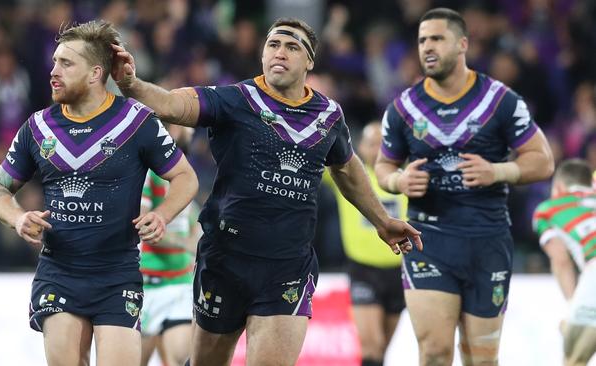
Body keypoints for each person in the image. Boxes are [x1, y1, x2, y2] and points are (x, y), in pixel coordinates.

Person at [112, 17, 423, 366]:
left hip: (287, 265)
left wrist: (382, 220)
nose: (280, 53)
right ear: (262, 55)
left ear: (309, 61)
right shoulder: (235, 100)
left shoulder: (328, 116)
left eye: (292, 47)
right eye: (273, 45)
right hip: (225, 259)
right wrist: (132, 85)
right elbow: (172, 104)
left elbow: (347, 169)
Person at [0, 20, 198, 366]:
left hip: (117, 273)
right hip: (59, 271)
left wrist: (162, 215)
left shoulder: (138, 122)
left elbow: (186, 178)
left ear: (95, 73)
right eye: (54, 62)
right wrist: (18, 217)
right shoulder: (38, 127)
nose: (53, 71)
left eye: (66, 64)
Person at [374, 8, 555, 366]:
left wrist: (499, 172)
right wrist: (398, 180)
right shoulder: (403, 107)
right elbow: (383, 166)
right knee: (435, 353)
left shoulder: (500, 100)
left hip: (487, 240)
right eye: (423, 39)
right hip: (429, 240)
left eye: (437, 38)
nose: (427, 46)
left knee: (482, 358)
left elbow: (544, 160)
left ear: (462, 45)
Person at [323, 121, 407, 366]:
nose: (378, 150)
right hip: (363, 271)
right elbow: (317, 161)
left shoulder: (405, 181)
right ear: (360, 146)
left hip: (398, 273)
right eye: (372, 144)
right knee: (372, 347)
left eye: (384, 145)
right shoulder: (348, 176)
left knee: (380, 352)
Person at [139, 124, 201, 366]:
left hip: (179, 285)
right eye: (186, 125)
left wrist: (198, 238)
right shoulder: (150, 173)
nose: (192, 131)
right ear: (170, 129)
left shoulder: (186, 174)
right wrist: (185, 244)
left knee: (179, 360)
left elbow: (191, 218)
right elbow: (142, 225)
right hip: (147, 285)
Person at [533, 159, 596, 366]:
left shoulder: (548, 209)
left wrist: (572, 307)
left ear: (558, 188)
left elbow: (560, 259)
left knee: (574, 359)